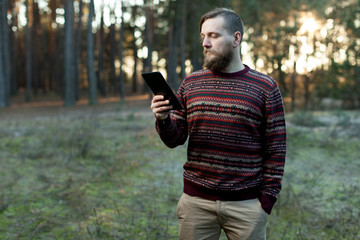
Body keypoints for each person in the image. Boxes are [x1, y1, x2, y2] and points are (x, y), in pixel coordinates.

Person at [150, 7, 286, 240]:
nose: (205, 43)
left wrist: (266, 201)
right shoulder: (192, 83)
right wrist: (163, 119)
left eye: (213, 35)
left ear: (236, 38)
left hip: (247, 207)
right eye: (203, 36)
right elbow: (175, 139)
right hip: (196, 204)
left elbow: (276, 149)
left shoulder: (265, 87)